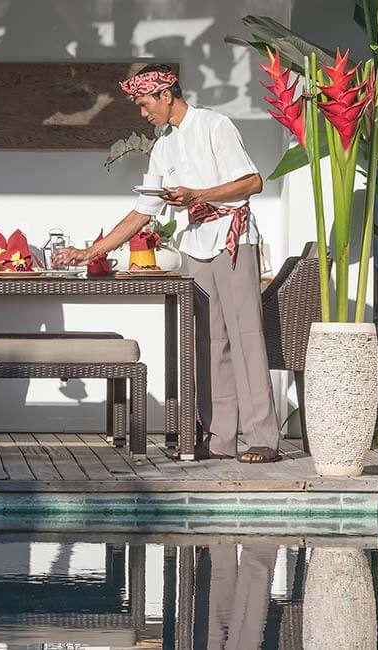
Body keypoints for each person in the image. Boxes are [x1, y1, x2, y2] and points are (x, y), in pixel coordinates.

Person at [65, 64, 283, 463]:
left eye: (145, 104)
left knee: (246, 336)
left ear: (166, 95)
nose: (143, 113)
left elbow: (253, 182)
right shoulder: (163, 145)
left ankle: (262, 437)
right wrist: (91, 252)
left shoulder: (214, 125)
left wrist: (198, 194)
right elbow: (142, 212)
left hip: (234, 239)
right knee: (209, 342)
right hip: (197, 243)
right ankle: (220, 437)